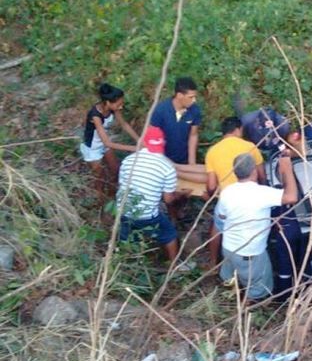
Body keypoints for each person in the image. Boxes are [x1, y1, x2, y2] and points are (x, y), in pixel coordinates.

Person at [216, 152, 298, 302]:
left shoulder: (227, 192)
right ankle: (247, 313)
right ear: (254, 171)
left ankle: (228, 303)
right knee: (257, 290)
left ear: (235, 172)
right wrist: (287, 169)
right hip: (250, 254)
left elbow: (222, 216)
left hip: (228, 248)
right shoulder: (262, 193)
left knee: (231, 279)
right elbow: (292, 197)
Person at [117, 126, 191, 267]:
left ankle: (125, 265)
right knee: (170, 234)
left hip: (123, 210)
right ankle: (174, 266)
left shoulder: (127, 160)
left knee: (127, 236)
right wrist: (181, 194)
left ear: (144, 142)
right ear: (162, 144)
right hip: (146, 215)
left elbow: (122, 186)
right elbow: (168, 200)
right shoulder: (166, 166)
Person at [204, 116, 266, 270]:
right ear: (239, 130)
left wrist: (212, 194)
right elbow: (262, 175)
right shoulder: (250, 146)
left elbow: (211, 186)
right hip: (251, 198)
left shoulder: (212, 151)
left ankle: (213, 262)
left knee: (217, 227)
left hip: (227, 199)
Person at [81, 83, 139, 207]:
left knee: (116, 170)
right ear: (108, 102)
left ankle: (112, 198)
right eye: (118, 104)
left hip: (104, 143)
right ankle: (101, 205)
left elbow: (124, 125)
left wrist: (139, 140)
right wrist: (133, 148)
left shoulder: (113, 109)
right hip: (92, 148)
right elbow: (108, 143)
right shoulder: (95, 116)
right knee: (99, 179)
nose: (121, 106)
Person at [151, 76, 202, 165]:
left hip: (184, 160)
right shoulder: (161, 110)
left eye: (195, 97)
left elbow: (193, 135)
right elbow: (152, 137)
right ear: (179, 95)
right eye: (191, 97)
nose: (194, 100)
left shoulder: (195, 110)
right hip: (163, 159)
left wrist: (192, 163)